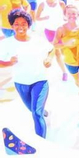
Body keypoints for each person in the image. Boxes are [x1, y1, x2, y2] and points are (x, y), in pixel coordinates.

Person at [0, 10, 52, 138]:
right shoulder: (7, 43)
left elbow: (51, 49)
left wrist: (48, 59)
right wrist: (9, 63)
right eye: (16, 24)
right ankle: (43, 111)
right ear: (12, 26)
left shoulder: (38, 40)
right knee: (33, 110)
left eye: (23, 24)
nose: (20, 27)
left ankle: (42, 145)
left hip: (40, 80)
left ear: (28, 26)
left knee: (36, 113)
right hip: (21, 82)